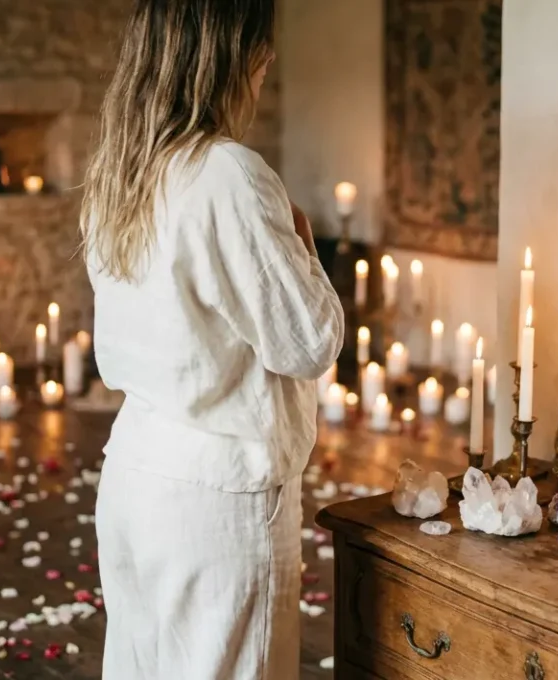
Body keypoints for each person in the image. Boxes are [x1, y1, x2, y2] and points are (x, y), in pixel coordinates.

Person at [81, 1, 343, 677]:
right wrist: (306, 246)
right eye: (260, 43)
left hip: (135, 474)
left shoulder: (121, 171)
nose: (269, 60)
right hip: (216, 500)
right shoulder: (228, 175)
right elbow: (309, 342)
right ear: (225, 53)